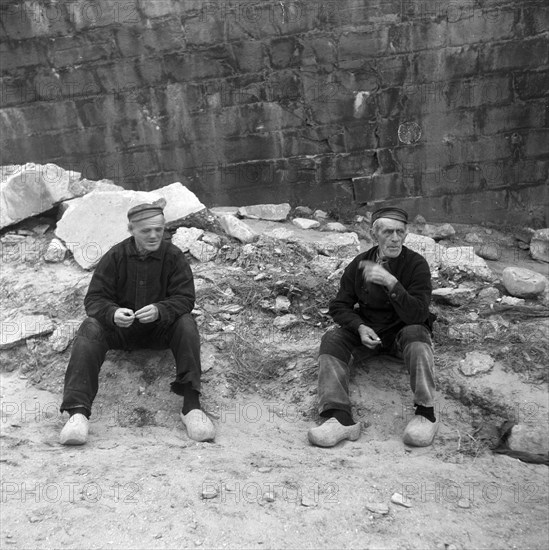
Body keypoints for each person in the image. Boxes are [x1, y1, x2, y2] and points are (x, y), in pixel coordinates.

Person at [58, 198, 215, 445]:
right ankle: (78, 414)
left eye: (159, 230)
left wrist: (161, 310)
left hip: (160, 331)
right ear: (131, 230)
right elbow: (94, 300)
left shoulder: (173, 257)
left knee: (186, 323)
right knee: (90, 327)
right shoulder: (115, 256)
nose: (153, 236)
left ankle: (191, 407)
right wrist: (112, 313)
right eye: (145, 231)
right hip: (120, 332)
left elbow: (185, 299)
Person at [307, 207, 438, 448]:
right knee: (333, 339)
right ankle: (340, 418)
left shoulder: (416, 265)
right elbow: (339, 306)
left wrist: (391, 282)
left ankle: (425, 413)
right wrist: (359, 327)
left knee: (417, 335)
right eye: (388, 232)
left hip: (403, 335)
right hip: (369, 334)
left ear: (407, 235)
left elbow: (418, 313)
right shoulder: (360, 263)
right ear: (374, 233)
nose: (395, 238)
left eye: (400, 232)